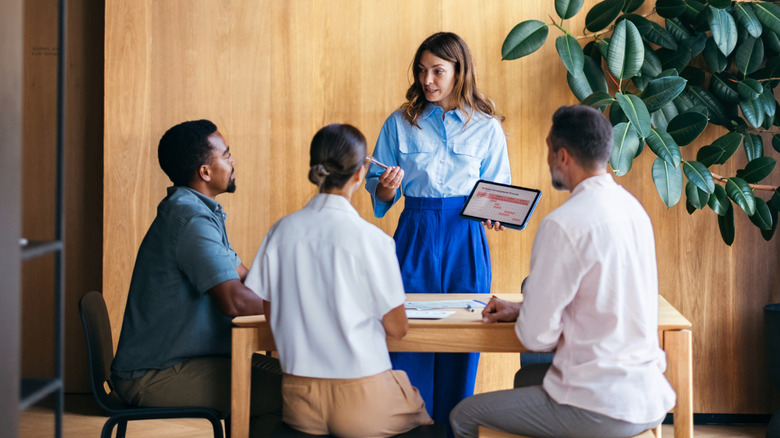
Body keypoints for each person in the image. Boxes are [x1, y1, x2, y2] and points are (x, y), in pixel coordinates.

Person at [449, 105, 676, 438]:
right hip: (648, 394)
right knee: (526, 381)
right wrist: (524, 308)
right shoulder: (633, 210)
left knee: (463, 414)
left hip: (597, 405)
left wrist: (533, 315)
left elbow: (535, 338)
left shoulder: (563, 224)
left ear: (563, 157)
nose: (547, 160)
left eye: (548, 150)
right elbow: (604, 299)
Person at [245, 124, 433, 437]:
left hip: (299, 398)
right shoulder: (372, 240)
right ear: (360, 174)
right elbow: (397, 329)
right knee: (422, 413)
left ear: (314, 167)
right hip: (363, 400)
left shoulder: (281, 232)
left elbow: (271, 314)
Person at [364, 31, 511, 430]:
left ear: (459, 72)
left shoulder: (487, 128)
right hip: (415, 231)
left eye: (438, 71)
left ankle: (453, 428)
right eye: (422, 70)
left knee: (465, 338)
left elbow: (498, 193)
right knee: (405, 335)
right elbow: (379, 195)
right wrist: (386, 187)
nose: (428, 80)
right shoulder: (400, 122)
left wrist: (495, 214)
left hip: (466, 238)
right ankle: (408, 428)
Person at [110, 120, 282, 434]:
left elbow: (246, 276)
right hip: (154, 374)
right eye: (226, 156)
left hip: (185, 360)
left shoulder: (199, 211)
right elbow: (235, 301)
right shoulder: (191, 219)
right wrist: (306, 310)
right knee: (297, 392)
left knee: (302, 379)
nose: (232, 163)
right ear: (205, 171)